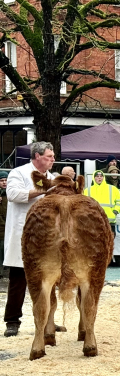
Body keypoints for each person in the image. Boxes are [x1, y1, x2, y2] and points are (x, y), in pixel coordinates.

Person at [4, 142, 56, 337]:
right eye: (49, 156)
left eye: (52, 156)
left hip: (46, 237)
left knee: (48, 280)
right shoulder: (18, 173)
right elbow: (13, 194)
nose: (52, 159)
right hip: (22, 234)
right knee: (18, 279)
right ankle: (12, 321)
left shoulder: (52, 177)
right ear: (37, 156)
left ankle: (48, 320)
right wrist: (42, 191)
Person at [84, 170, 120, 236]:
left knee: (109, 244)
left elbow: (119, 201)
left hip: (109, 221)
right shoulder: (87, 190)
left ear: (104, 177)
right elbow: (84, 205)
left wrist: (115, 210)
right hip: (93, 222)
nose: (99, 178)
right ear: (93, 178)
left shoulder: (113, 189)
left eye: (101, 176)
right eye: (97, 176)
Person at [0, 171, 7, 279]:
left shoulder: (9, 194)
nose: (4, 182)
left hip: (5, 227)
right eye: (2, 180)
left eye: (6, 180)